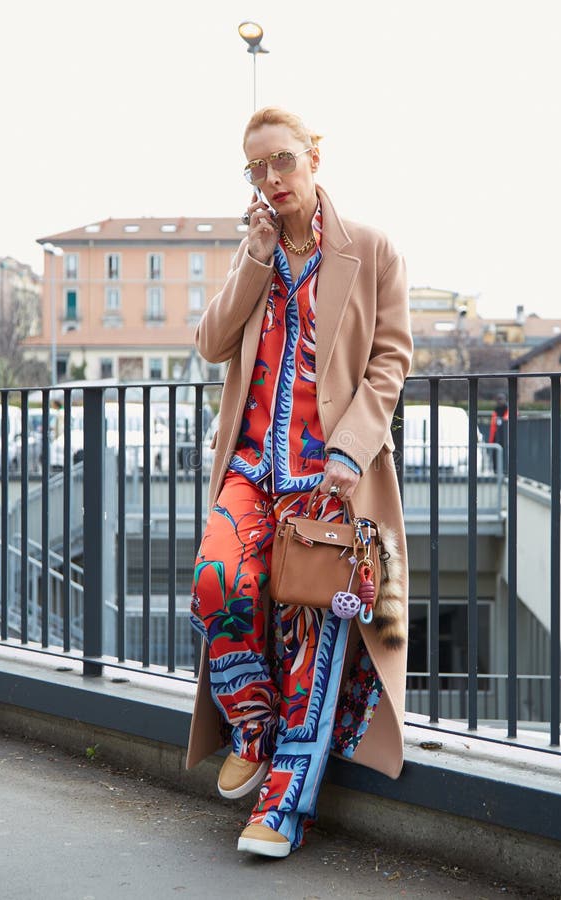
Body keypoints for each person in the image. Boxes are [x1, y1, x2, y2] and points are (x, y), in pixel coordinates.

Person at [186, 107, 413, 858]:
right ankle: (250, 723)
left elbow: (390, 361)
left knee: (318, 631)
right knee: (216, 579)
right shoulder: (257, 249)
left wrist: (350, 449)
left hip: (328, 482)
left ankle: (284, 806)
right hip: (251, 469)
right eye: (256, 169)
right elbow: (211, 344)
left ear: (315, 156)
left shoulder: (370, 249)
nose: (271, 179)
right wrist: (252, 256)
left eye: (282, 161)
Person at [489, 391, 509, 473]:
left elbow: (507, 419)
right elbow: (493, 426)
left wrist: (502, 420)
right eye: (498, 399)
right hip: (497, 437)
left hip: (506, 437)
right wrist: (491, 439)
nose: (500, 401)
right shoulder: (496, 410)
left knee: (506, 454)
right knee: (496, 454)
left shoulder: (508, 409)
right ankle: (496, 470)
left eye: (501, 399)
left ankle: (505, 470)